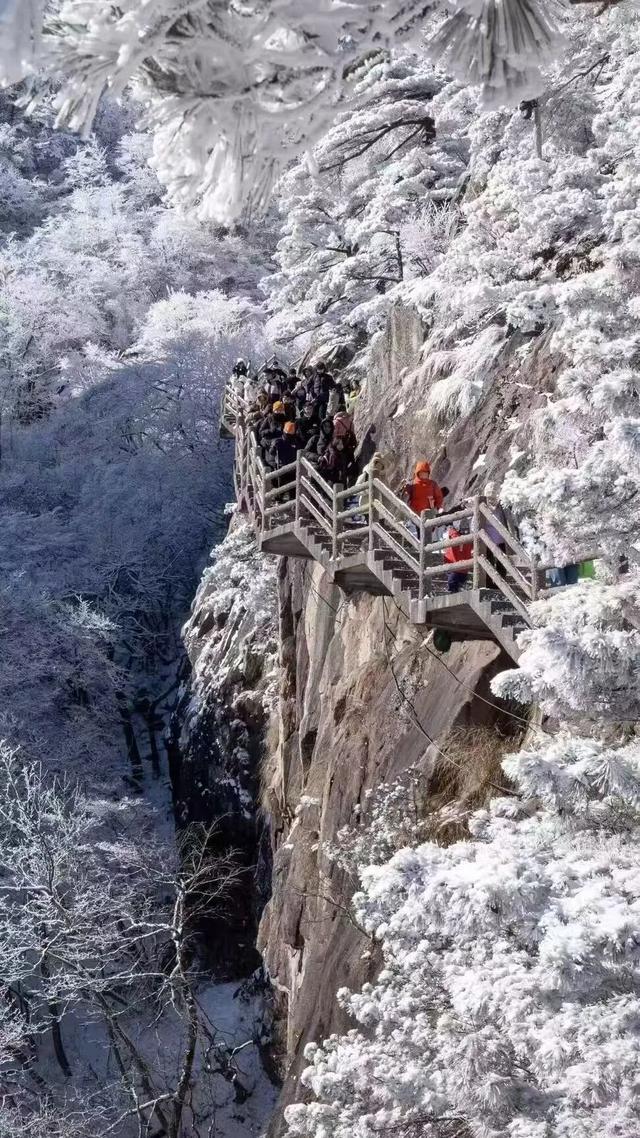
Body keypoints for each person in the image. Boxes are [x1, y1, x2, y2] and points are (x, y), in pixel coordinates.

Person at [444, 522, 473, 593]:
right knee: (455, 585)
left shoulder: (466, 537)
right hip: (456, 567)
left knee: (457, 586)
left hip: (459, 567)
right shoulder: (455, 535)